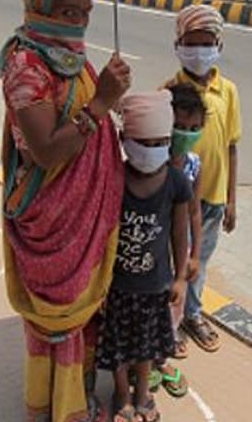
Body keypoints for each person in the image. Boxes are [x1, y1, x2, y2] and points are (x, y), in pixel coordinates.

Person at [0, 0, 131, 422]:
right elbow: (49, 152)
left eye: (86, 12)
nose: (79, 22)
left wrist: (114, 104)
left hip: (85, 215)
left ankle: (80, 397)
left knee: (86, 315)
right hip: (52, 218)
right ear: (39, 6)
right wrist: (101, 104)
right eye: (69, 12)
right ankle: (56, 407)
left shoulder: (68, 58)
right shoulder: (26, 67)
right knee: (59, 314)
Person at [95, 91, 191, 422]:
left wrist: (180, 276)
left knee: (147, 344)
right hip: (118, 287)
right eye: (144, 143)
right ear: (125, 139)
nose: (153, 151)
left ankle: (143, 393)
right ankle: (121, 393)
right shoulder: (115, 180)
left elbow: (180, 232)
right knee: (119, 345)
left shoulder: (176, 182)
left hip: (156, 286)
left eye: (160, 142)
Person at [170, 4, 241, 355]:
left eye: (206, 43)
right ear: (178, 45)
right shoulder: (169, 91)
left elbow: (231, 146)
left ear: (219, 46)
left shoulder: (228, 92)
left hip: (211, 198)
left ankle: (192, 314)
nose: (199, 51)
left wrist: (231, 200)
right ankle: (169, 319)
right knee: (174, 260)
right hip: (177, 200)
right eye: (191, 43)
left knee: (200, 259)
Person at [153, 83, 206, 398]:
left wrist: (195, 254)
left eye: (194, 128)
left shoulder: (194, 165)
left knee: (173, 305)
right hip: (152, 248)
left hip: (179, 251)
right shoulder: (149, 161)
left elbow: (195, 212)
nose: (186, 133)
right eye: (179, 127)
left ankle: (160, 358)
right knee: (146, 305)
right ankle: (140, 363)